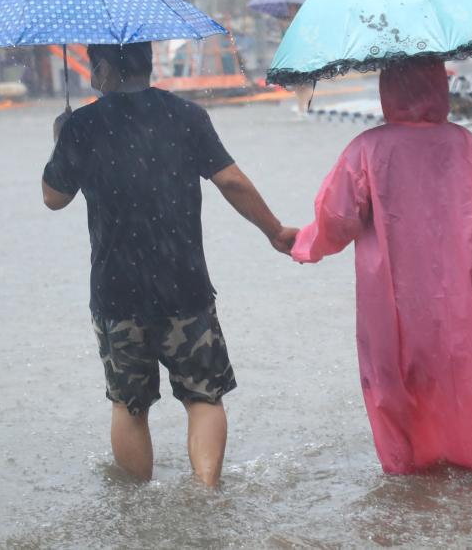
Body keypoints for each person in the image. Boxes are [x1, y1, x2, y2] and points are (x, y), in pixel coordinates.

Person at [42, 42, 297, 485]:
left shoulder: (81, 126)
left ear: (102, 69)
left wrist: (61, 138)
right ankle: (204, 492)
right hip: (185, 286)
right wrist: (274, 231)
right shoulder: (186, 115)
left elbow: (53, 198)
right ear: (149, 63)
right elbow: (231, 181)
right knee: (204, 397)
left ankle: (139, 509)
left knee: (129, 405)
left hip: (117, 291)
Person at [291, 58, 472, 475]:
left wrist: (302, 243)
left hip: (392, 299)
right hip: (458, 296)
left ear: (389, 90)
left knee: (395, 384)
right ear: (439, 86)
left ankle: (412, 470)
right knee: (467, 376)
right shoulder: (466, 144)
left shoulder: (367, 149)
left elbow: (336, 219)